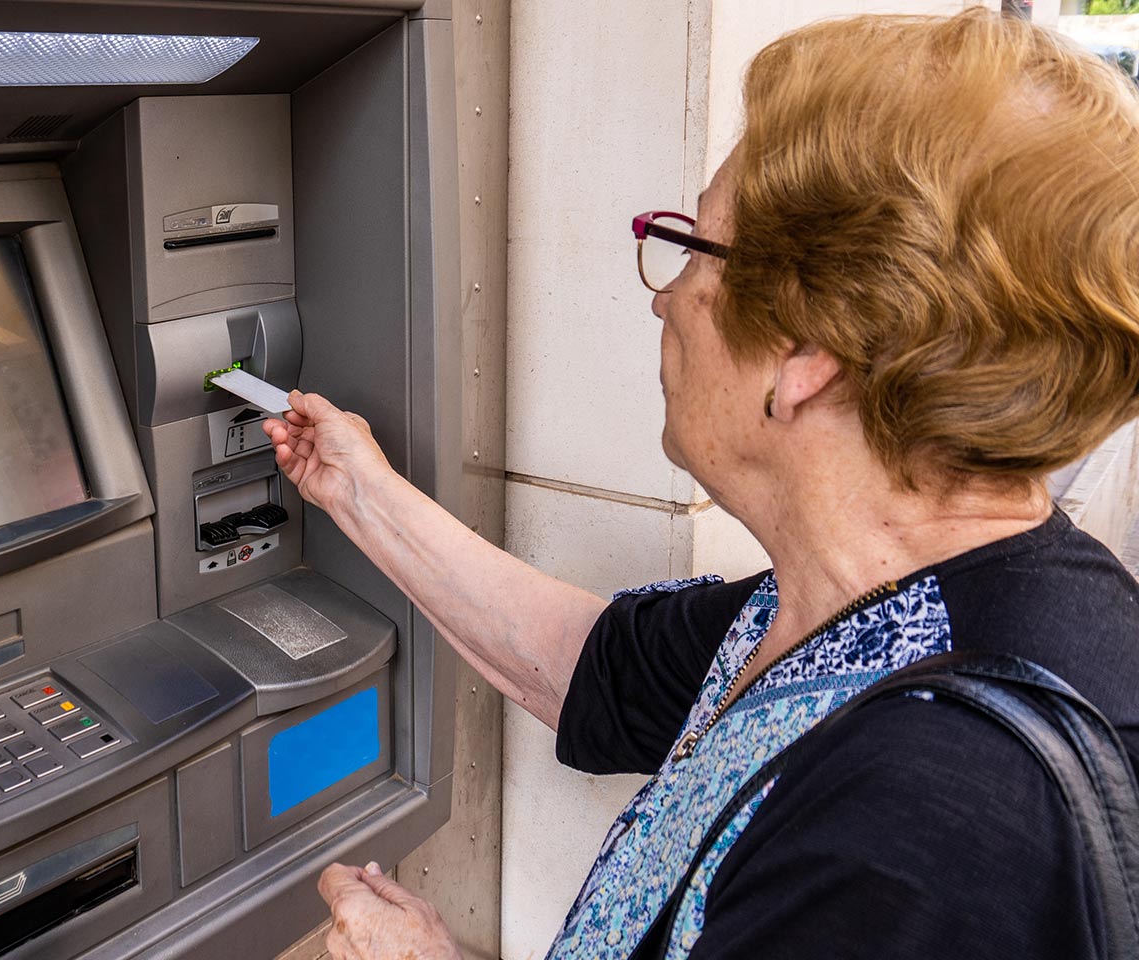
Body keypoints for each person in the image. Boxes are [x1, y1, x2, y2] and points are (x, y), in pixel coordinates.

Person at [263, 10, 1139, 959]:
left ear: (809, 349)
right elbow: (599, 671)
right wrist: (358, 489)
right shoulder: (888, 601)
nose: (663, 295)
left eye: (695, 248)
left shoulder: (928, 825)